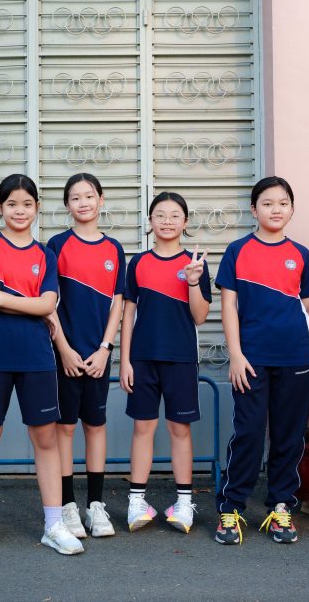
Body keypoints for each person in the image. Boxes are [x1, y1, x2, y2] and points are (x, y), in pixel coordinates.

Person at [0, 174, 84, 556]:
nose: (20, 210)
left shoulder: (45, 255)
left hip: (36, 357)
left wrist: (2, 299)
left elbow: (47, 304)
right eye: (12, 204)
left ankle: (53, 524)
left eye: (27, 204)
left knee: (46, 439)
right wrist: (28, 304)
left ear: (37, 208)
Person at [214, 177, 309, 545]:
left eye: (283, 203)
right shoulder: (237, 250)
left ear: (292, 209)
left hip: (295, 359)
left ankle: (281, 506)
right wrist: (236, 354)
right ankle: (231, 508)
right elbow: (228, 306)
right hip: (251, 360)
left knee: (289, 436)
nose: (276, 209)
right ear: (253, 209)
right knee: (249, 433)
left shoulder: (302, 254)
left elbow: (308, 311)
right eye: (268, 203)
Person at [120, 192, 211, 535]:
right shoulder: (138, 263)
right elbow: (128, 315)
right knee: (142, 428)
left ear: (185, 222)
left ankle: (184, 503)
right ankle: (136, 501)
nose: (167, 221)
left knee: (179, 429)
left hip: (181, 360)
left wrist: (193, 281)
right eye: (160, 215)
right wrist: (124, 361)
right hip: (142, 359)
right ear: (150, 221)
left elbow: (200, 316)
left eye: (175, 215)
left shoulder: (195, 263)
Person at [46, 173, 126, 539]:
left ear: (101, 200)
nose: (83, 202)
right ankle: (67, 505)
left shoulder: (114, 249)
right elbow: (49, 304)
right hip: (64, 354)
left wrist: (105, 349)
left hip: (98, 356)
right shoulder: (56, 245)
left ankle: (96, 505)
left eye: (89, 195)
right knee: (64, 428)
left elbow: (117, 304)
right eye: (75, 197)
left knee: (95, 425)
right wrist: (63, 348)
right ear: (67, 204)